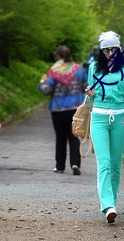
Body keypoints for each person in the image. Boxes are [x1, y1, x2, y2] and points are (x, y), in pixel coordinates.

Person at [85, 31, 124, 223]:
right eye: (105, 50)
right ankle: (107, 205)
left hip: (120, 118)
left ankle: (112, 201)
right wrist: (90, 92)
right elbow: (91, 94)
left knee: (116, 164)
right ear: (101, 50)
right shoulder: (94, 67)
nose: (109, 53)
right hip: (98, 117)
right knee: (104, 163)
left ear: (118, 48)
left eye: (112, 50)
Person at [39, 45, 88, 175]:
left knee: (60, 138)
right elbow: (86, 87)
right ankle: (75, 163)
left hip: (58, 109)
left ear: (58, 57)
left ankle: (60, 166)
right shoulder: (79, 70)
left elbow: (47, 90)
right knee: (74, 137)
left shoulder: (54, 71)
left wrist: (42, 83)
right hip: (75, 109)